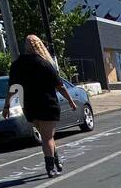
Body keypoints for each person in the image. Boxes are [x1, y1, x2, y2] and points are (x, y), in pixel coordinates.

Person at [5, 33, 76, 177]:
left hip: (29, 106)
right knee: (47, 137)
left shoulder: (17, 64)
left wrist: (6, 106)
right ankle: (50, 167)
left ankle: (56, 161)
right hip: (47, 104)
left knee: (46, 136)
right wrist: (70, 100)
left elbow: (13, 88)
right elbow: (60, 86)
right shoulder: (44, 63)